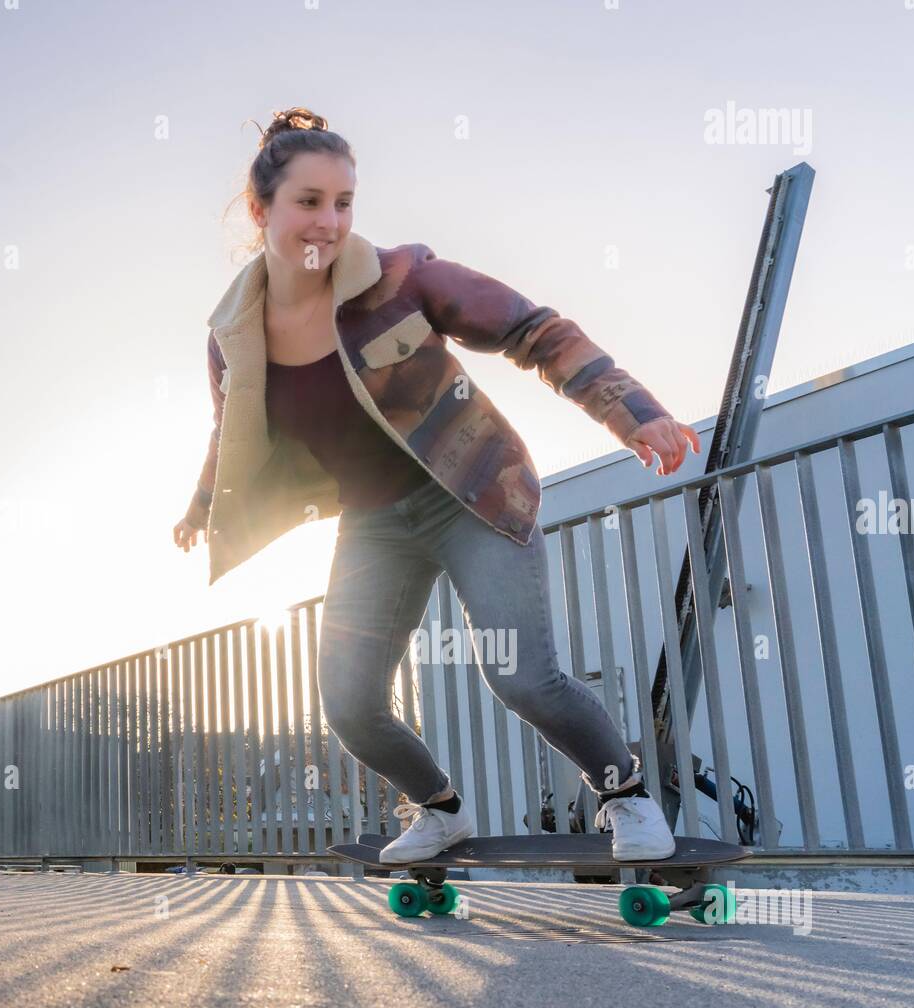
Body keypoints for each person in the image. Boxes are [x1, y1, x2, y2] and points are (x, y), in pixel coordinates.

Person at [174, 106, 701, 865]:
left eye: (344, 202)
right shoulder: (233, 340)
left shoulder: (402, 279)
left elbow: (534, 330)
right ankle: (439, 808)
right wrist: (199, 507)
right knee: (349, 705)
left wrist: (631, 411)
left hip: (471, 493)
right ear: (261, 210)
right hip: (372, 523)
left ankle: (624, 795)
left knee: (522, 678)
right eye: (309, 202)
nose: (329, 222)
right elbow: (232, 432)